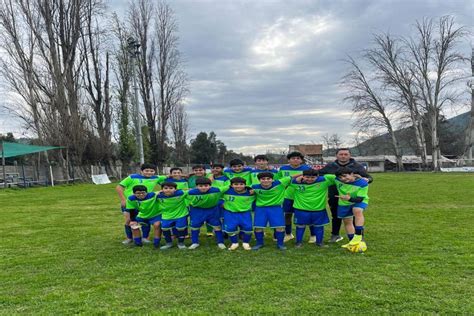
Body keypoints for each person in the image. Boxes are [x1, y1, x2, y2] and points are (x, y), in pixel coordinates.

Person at [319, 148, 372, 243]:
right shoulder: (330, 166)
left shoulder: (356, 166)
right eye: (341, 154)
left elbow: (368, 177)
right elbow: (318, 175)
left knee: (356, 214)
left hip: (354, 196)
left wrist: (367, 179)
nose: (343, 156)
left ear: (350, 155)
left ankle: (360, 236)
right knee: (336, 215)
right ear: (337, 155)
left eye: (346, 154)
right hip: (335, 195)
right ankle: (335, 235)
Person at [116, 163, 165, 244]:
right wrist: (123, 200)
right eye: (147, 170)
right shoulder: (132, 177)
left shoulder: (156, 178)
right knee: (129, 220)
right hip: (130, 203)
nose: (149, 172)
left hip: (145, 203)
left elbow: (171, 177)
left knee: (145, 219)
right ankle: (129, 238)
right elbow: (119, 187)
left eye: (151, 171)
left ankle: (145, 237)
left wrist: (187, 176)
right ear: (141, 171)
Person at [291, 169, 336, 247]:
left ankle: (319, 242)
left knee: (319, 227)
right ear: (303, 176)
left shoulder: (325, 180)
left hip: (318, 210)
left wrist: (359, 178)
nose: (310, 179)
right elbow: (282, 181)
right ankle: (298, 242)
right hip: (301, 210)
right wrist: (297, 177)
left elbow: (341, 177)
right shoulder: (295, 182)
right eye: (307, 177)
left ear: (317, 176)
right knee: (300, 226)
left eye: (312, 177)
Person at [277, 152, 312, 242]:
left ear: (301, 160)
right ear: (289, 160)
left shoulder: (307, 169)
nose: (295, 160)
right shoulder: (283, 169)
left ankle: (313, 235)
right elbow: (279, 181)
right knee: (287, 215)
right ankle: (288, 234)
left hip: (302, 197)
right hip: (288, 196)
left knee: (307, 216)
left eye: (297, 158)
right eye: (293, 158)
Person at [251, 172, 291, 250]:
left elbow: (292, 177)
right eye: (263, 179)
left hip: (276, 208)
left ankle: (280, 244)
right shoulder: (254, 187)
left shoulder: (280, 184)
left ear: (272, 180)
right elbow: (242, 190)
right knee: (258, 227)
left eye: (268, 179)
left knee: (280, 227)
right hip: (261, 209)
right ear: (259, 180)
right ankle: (259, 243)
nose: (266, 180)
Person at [335, 167, 370, 251]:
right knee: (347, 221)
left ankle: (358, 235)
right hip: (344, 203)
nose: (343, 179)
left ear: (352, 174)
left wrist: (349, 198)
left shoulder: (362, 183)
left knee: (357, 210)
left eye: (345, 176)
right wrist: (299, 177)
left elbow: (359, 199)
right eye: (340, 177)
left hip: (359, 200)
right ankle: (352, 243)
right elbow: (316, 175)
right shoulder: (336, 179)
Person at [187, 177, 226, 250]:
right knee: (194, 226)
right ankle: (195, 242)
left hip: (212, 210)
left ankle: (220, 242)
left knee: (217, 226)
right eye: (200, 186)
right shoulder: (191, 192)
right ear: (196, 186)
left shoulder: (216, 190)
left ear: (210, 186)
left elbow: (229, 187)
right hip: (197, 211)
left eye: (206, 186)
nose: (203, 188)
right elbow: (178, 192)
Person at [222, 177, 255, 250]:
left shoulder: (250, 193)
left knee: (248, 228)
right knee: (230, 229)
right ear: (231, 185)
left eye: (241, 184)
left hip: (245, 213)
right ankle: (234, 243)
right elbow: (218, 193)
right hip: (230, 213)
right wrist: (222, 203)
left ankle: (246, 243)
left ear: (245, 185)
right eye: (236, 184)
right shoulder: (227, 191)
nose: (239, 186)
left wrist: (251, 189)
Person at [156, 182, 189, 250]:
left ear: (175, 189)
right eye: (166, 188)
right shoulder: (158, 195)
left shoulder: (181, 193)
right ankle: (168, 243)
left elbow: (192, 190)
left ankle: (181, 243)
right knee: (165, 228)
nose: (168, 190)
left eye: (171, 188)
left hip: (181, 215)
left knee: (180, 228)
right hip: (166, 215)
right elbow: (147, 195)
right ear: (162, 189)